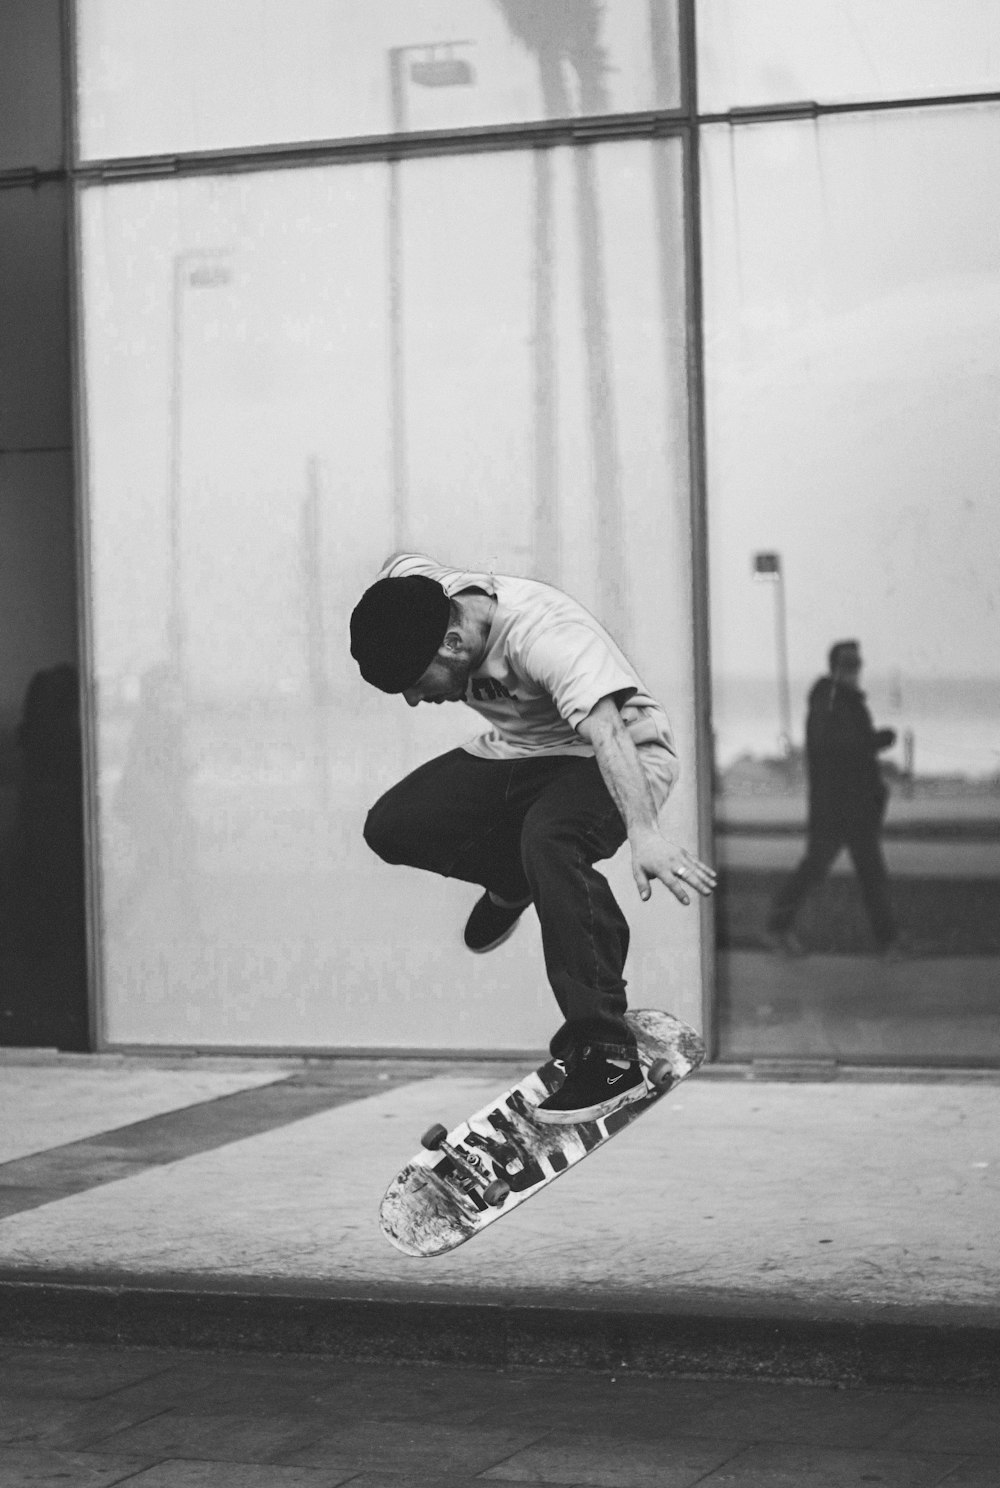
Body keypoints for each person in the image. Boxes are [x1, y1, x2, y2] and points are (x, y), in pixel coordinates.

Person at [350, 553, 716, 1124]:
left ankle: (606, 1050)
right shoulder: (420, 592)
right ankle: (510, 878)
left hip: (621, 757)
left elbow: (609, 730)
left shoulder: (546, 637)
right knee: (392, 825)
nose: (416, 701)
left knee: (551, 841)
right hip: (521, 752)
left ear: (451, 643)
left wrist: (644, 832)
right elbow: (399, 565)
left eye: (417, 685)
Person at [766, 639, 899, 956]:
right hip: (837, 808)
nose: (854, 670)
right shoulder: (828, 701)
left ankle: (889, 942)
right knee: (822, 869)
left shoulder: (842, 701)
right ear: (834, 666)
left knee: (866, 872)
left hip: (850, 807)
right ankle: (776, 929)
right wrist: (875, 740)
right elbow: (837, 749)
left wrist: (871, 743)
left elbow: (847, 746)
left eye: (857, 663)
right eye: (847, 664)